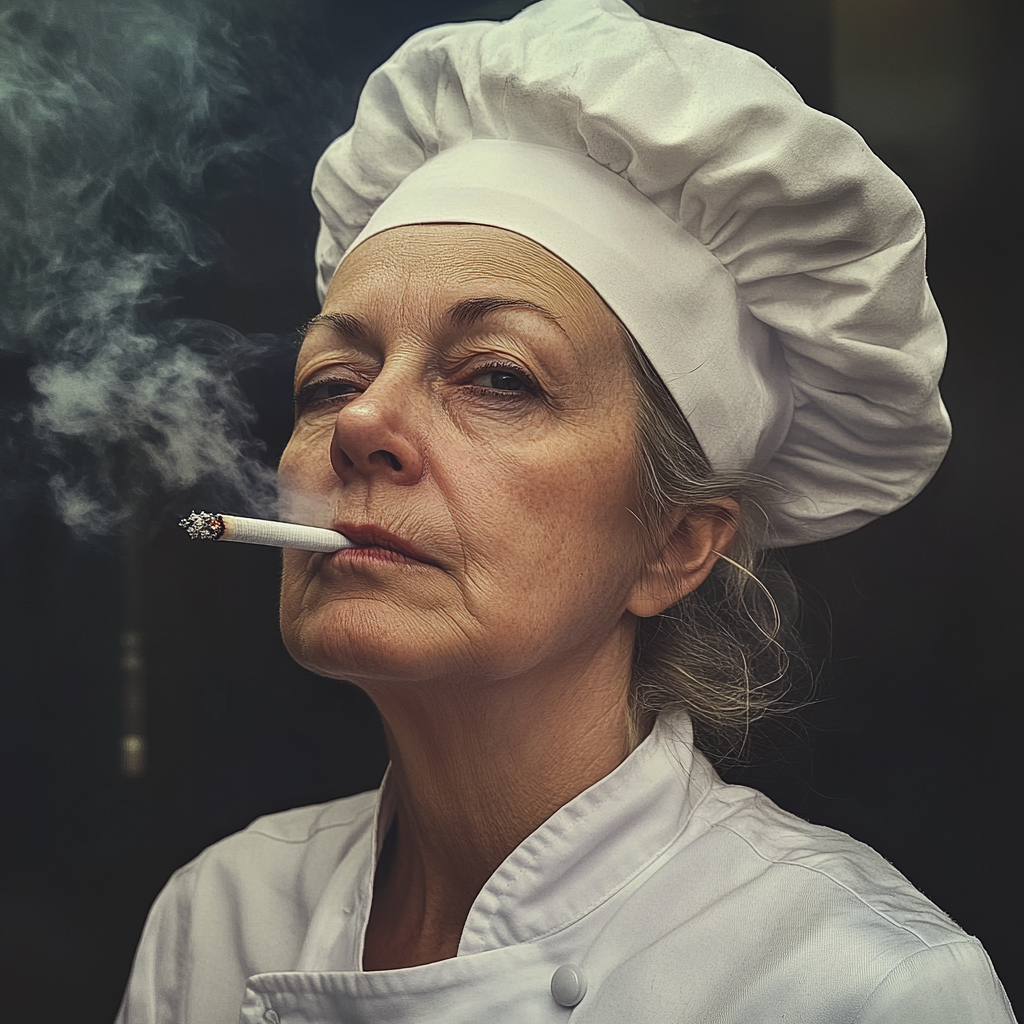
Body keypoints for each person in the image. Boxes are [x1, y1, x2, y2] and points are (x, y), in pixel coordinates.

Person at [116, 0, 1015, 1020]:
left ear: (674, 546)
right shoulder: (216, 915)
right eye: (329, 380)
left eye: (498, 377)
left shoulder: (858, 984)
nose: (362, 419)